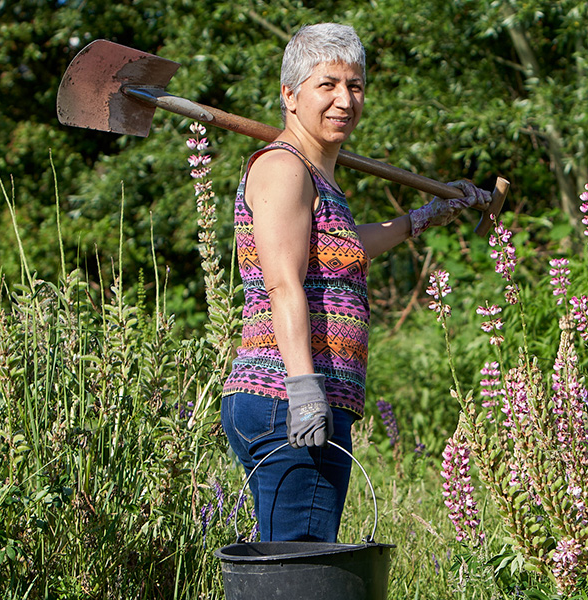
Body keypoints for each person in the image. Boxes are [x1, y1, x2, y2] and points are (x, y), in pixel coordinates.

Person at [219, 22, 491, 543]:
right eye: (328, 85)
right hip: (288, 395)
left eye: (355, 86)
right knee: (301, 570)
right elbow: (282, 283)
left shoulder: (315, 175)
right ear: (289, 95)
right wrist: (303, 387)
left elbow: (336, 251)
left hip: (290, 397)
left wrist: (419, 219)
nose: (345, 100)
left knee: (291, 564)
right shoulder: (284, 168)